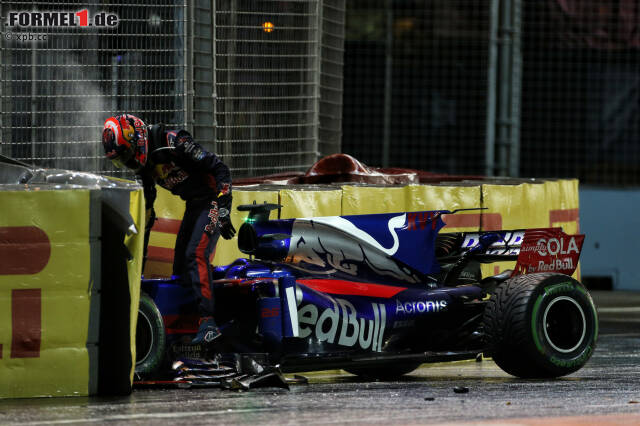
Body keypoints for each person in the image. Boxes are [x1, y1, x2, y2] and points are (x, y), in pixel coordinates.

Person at [102, 114, 236, 345]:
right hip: (194, 205)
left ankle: (209, 323)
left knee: (195, 254)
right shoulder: (144, 168)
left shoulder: (175, 142)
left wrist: (224, 208)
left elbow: (220, 169)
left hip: (211, 200)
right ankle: (185, 324)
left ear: (138, 138)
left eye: (126, 153)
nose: (127, 161)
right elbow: (147, 212)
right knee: (179, 268)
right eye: (120, 159)